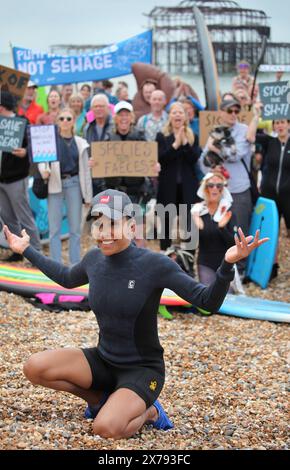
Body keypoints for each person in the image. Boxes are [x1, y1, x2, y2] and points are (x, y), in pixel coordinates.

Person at [3, 189, 267, 439]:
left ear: (131, 227)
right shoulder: (94, 259)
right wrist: (26, 249)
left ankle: (151, 412)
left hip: (142, 370)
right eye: (99, 224)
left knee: (106, 428)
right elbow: (65, 278)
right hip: (104, 360)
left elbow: (206, 301)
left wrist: (227, 264)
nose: (104, 233)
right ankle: (98, 399)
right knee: (35, 368)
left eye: (113, 224)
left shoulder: (154, 265)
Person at [201, 97, 259, 274]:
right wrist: (212, 169)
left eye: (236, 111)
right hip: (220, 191)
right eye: (229, 111)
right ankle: (225, 267)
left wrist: (215, 149)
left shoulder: (243, 131)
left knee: (242, 230)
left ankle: (240, 270)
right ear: (221, 113)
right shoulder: (215, 132)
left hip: (240, 189)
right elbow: (203, 161)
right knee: (222, 230)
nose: (233, 114)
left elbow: (236, 154)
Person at [38, 108, 92, 264]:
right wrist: (44, 172)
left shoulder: (81, 143)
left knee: (75, 228)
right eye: (61, 118)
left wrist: (87, 195)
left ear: (74, 120)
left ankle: (75, 264)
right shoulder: (50, 141)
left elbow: (86, 171)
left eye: (69, 118)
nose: (65, 121)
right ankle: (56, 264)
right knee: (54, 228)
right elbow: (42, 161)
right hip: (55, 183)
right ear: (57, 121)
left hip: (74, 183)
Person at [0, 91, 41, 260]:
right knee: (8, 217)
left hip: (16, 178)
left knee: (24, 216)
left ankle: (37, 253)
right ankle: (18, 251)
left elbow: (34, 148)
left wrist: (24, 152)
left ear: (1, 108)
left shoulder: (23, 123)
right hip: (1, 180)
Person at [248, 116, 290, 278]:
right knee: (271, 231)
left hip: (288, 196)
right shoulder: (269, 142)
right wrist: (256, 112)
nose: (280, 126)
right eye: (277, 123)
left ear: (288, 124)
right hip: (270, 195)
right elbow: (250, 137)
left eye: (283, 122)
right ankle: (272, 266)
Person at [156, 102, 201, 251]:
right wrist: (175, 144)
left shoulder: (193, 136)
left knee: (190, 223)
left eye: (180, 112)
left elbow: (194, 159)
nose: (177, 115)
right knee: (166, 221)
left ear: (185, 117)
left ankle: (189, 256)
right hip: (168, 186)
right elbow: (161, 158)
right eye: (174, 112)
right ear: (169, 116)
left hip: (188, 186)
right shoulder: (161, 136)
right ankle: (164, 254)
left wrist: (185, 143)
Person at [191, 173, 238, 288]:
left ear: (223, 190)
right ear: (205, 189)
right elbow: (188, 241)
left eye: (219, 186)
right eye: (211, 185)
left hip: (225, 263)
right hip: (205, 263)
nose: (215, 188)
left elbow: (234, 243)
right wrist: (197, 225)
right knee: (208, 295)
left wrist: (222, 229)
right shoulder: (197, 211)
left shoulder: (227, 210)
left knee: (227, 299)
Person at [83, 94, 113, 196]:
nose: (99, 109)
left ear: (108, 108)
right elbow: (86, 151)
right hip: (94, 178)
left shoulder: (115, 126)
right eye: (96, 106)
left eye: (102, 106)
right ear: (91, 109)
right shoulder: (87, 128)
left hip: (112, 178)